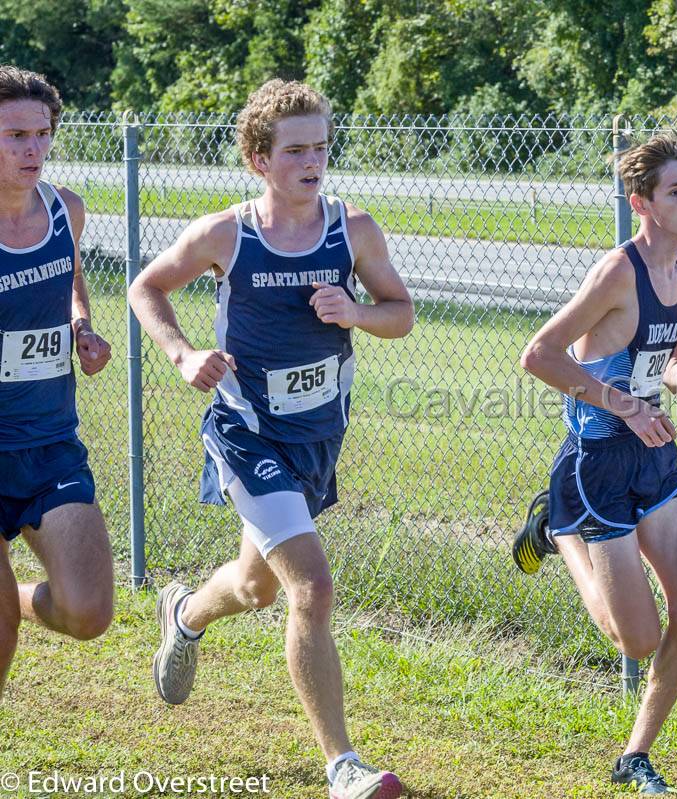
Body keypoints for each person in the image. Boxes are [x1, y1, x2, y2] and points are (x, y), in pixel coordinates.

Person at [127, 79, 414, 799]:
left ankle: (184, 612)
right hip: (244, 429)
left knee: (258, 585)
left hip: (317, 434)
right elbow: (146, 287)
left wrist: (354, 310)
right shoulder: (229, 233)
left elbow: (401, 314)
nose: (312, 161)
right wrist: (183, 354)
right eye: (295, 150)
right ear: (259, 158)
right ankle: (343, 764)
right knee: (311, 585)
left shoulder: (355, 229)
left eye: (321, 146)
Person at [511, 132, 677, 794]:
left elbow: (672, 377)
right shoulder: (616, 273)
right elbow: (540, 355)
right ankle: (556, 529)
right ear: (642, 202)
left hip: (653, 452)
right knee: (635, 639)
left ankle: (635, 754)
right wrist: (619, 405)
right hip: (597, 459)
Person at [0, 65, 114, 700]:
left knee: (89, 613)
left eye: (41, 134)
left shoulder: (64, 209)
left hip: (48, 446)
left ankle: (11, 600)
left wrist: (81, 326)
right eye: (15, 135)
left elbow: (69, 279)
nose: (32, 149)